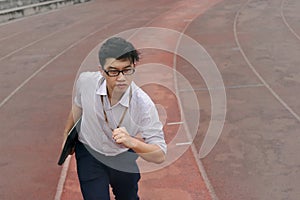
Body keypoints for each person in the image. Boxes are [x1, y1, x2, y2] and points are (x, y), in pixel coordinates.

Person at [63, 37, 167, 200]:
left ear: (134, 66)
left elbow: (160, 155)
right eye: (113, 71)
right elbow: (78, 106)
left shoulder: (143, 105)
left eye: (127, 70)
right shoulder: (86, 82)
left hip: (123, 154)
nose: (121, 78)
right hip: (89, 152)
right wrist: (67, 135)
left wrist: (131, 142)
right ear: (101, 70)